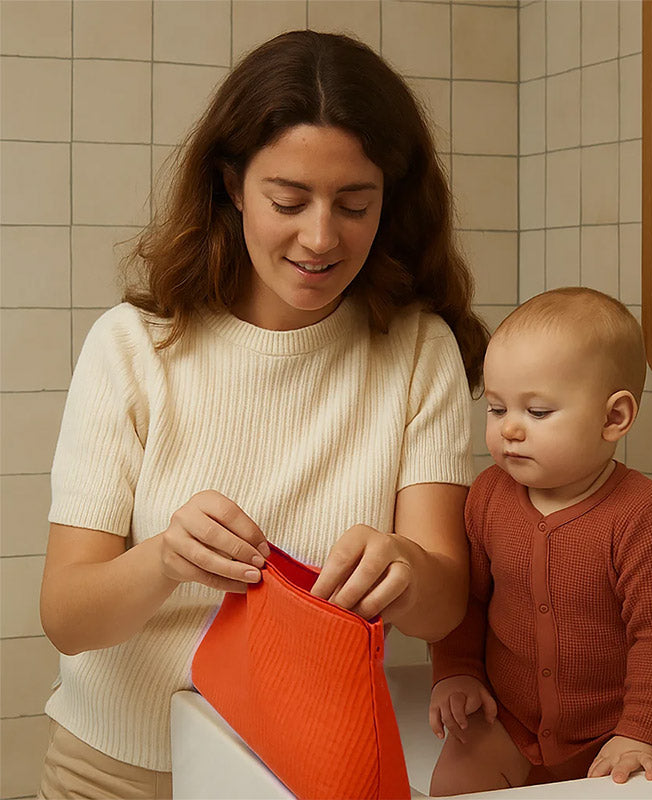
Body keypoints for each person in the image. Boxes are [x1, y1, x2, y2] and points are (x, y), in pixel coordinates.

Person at [38, 30, 489, 800]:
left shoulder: (418, 350)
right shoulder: (132, 346)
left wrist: (408, 570)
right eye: (289, 201)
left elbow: (443, 607)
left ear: (390, 199)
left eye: (355, 205)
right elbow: (67, 617)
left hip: (304, 776)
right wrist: (164, 560)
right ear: (232, 186)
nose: (321, 237)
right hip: (116, 776)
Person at [428, 287, 652, 795]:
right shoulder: (488, 495)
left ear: (613, 419)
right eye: (497, 409)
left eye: (537, 412)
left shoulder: (641, 513)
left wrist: (641, 731)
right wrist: (456, 672)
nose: (510, 429)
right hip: (503, 720)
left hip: (605, 737)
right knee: (453, 786)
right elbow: (467, 598)